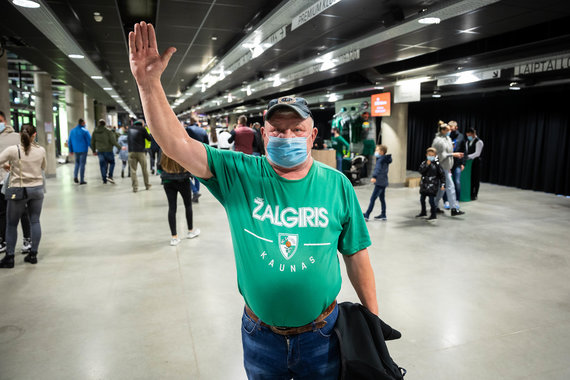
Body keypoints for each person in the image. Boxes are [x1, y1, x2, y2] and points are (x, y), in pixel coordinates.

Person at [129, 21, 378, 378]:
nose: (286, 136)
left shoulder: (336, 184)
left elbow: (356, 254)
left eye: (297, 130)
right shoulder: (238, 173)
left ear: (312, 136)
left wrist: (372, 320)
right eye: (277, 129)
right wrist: (148, 84)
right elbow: (175, 145)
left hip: (323, 337)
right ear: (264, 134)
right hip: (261, 337)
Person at [0, 124, 46, 268]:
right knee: (35, 221)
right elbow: (42, 167)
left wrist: (8, 167)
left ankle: (10, 257)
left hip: (18, 190)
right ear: (35, 135)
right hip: (37, 189)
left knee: (12, 224)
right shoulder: (41, 150)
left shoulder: (13, 150)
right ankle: (33, 254)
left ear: (20, 134)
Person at [0, 111, 32, 254]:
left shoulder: (16, 137)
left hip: (15, 180)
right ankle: (4, 240)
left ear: (4, 121)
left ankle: (27, 239)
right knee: (1, 213)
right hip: (0, 181)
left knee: (22, 211)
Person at [159, 154, 200, 246]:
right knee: (188, 205)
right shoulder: (180, 147)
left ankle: (174, 237)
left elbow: (159, 166)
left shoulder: (163, 148)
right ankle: (190, 231)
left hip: (168, 181)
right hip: (183, 180)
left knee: (172, 208)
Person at [432, 123, 465, 216]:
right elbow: (441, 156)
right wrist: (453, 154)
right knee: (450, 186)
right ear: (442, 131)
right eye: (447, 130)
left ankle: (434, 206)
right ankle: (454, 208)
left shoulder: (447, 138)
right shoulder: (438, 141)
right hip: (440, 166)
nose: (449, 132)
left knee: (441, 188)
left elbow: (448, 150)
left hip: (446, 167)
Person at [363, 145, 392, 221]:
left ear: (382, 152)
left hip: (379, 182)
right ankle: (383, 214)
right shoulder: (385, 159)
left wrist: (374, 177)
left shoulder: (380, 160)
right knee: (382, 199)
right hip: (384, 182)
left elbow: (377, 169)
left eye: (377, 150)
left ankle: (367, 215)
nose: (375, 152)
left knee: (373, 198)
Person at [416, 147, 446, 222]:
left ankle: (433, 215)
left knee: (431, 200)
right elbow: (420, 171)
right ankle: (423, 212)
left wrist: (443, 184)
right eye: (429, 155)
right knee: (422, 199)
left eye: (432, 155)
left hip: (433, 186)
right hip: (424, 185)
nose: (430, 156)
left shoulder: (437, 165)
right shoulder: (424, 163)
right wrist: (427, 165)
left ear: (435, 155)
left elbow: (442, 175)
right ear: (426, 155)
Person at [184, 117, 209, 202]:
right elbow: (207, 144)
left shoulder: (187, 129)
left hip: (189, 155)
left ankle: (194, 191)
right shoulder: (202, 130)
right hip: (200, 155)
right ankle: (196, 192)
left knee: (185, 175)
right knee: (197, 175)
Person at [91, 119, 121, 184]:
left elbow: (92, 142)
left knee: (102, 165)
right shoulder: (108, 131)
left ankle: (104, 179)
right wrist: (120, 147)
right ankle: (110, 176)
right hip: (108, 150)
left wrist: (93, 150)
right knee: (112, 163)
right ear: (104, 124)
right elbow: (113, 141)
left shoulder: (95, 132)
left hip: (100, 151)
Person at [128, 120, 152, 192]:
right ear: (142, 124)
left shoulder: (129, 129)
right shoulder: (142, 129)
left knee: (133, 170)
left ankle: (135, 188)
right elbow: (149, 139)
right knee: (144, 169)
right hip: (141, 152)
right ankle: (147, 185)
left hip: (131, 152)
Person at [68, 118, 91, 185]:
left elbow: (69, 141)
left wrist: (71, 150)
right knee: (82, 164)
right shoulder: (85, 131)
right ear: (82, 123)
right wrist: (94, 149)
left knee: (77, 163)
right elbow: (89, 141)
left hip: (75, 150)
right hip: (83, 150)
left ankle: (75, 176)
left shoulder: (72, 131)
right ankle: (81, 180)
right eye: (84, 123)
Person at [447, 120, 465, 204]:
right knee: (446, 182)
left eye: (451, 127)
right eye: (449, 127)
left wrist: (463, 163)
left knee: (457, 182)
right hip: (447, 163)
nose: (450, 128)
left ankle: (457, 200)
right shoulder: (446, 136)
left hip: (457, 163)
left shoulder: (461, 136)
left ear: (456, 127)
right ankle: (446, 201)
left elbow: (464, 151)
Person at [465, 128, 484, 200]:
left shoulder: (479, 142)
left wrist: (467, 157)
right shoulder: (467, 142)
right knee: (470, 178)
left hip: (476, 162)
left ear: (473, 134)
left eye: (469, 135)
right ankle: (469, 193)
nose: (468, 136)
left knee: (475, 178)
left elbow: (477, 153)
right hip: (469, 163)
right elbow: (466, 151)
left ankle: (475, 194)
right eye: (467, 135)